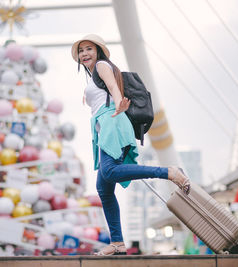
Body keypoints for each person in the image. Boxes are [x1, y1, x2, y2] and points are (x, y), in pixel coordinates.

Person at [71, 34, 190, 256]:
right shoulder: (93, 74)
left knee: (110, 171)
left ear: (98, 51)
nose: (84, 53)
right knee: (104, 189)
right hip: (105, 124)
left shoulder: (102, 66)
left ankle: (168, 172)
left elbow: (114, 88)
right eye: (81, 51)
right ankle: (117, 243)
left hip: (112, 121)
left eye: (89, 49)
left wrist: (118, 105)